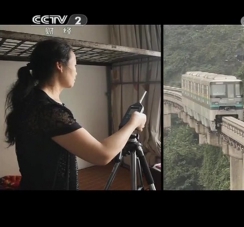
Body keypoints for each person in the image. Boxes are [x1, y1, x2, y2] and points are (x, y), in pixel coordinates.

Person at [4, 38, 146, 190]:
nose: (76, 72)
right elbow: (102, 154)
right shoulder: (49, 111)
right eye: (75, 65)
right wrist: (133, 122)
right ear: (59, 66)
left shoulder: (36, 101)